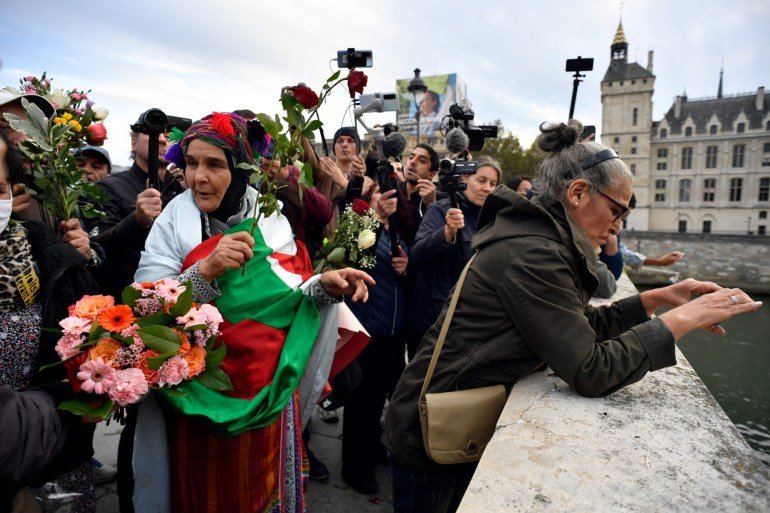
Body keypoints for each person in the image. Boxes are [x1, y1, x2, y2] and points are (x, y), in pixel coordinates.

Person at [384, 120, 762, 513]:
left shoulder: (538, 238)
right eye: (617, 210)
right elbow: (590, 369)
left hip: (446, 413)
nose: (618, 226)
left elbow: (574, 328)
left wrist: (654, 299)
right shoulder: (536, 254)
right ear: (579, 193)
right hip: (428, 431)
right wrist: (682, 319)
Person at [131, 112, 373, 513]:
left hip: (267, 391)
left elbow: (288, 294)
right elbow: (146, 305)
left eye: (214, 165)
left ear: (241, 169)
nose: (198, 178)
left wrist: (323, 287)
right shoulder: (174, 217)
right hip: (196, 394)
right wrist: (204, 270)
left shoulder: (270, 217)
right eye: (191, 163)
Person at [0, 122, 102, 512]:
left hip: (55, 464)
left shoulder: (52, 260)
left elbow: (96, 331)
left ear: (15, 194)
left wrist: (87, 257)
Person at [341, 178, 409, 495]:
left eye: (393, 192)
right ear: (371, 196)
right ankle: (356, 468)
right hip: (368, 328)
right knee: (362, 404)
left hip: (394, 331)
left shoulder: (402, 227)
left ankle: (372, 450)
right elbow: (357, 260)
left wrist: (405, 267)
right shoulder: (359, 223)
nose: (388, 197)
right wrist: (376, 219)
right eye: (381, 191)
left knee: (381, 399)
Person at [406, 156, 500, 358]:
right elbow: (417, 255)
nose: (487, 188)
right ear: (464, 179)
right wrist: (447, 232)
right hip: (434, 318)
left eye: (493, 183)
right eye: (481, 180)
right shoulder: (440, 210)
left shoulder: (495, 218)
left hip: (471, 319)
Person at [84, 113, 185, 298]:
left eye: (169, 136)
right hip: (125, 301)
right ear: (134, 144)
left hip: (179, 297)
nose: (162, 140)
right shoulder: (108, 187)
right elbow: (96, 248)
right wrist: (137, 220)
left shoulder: (183, 189)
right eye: (153, 133)